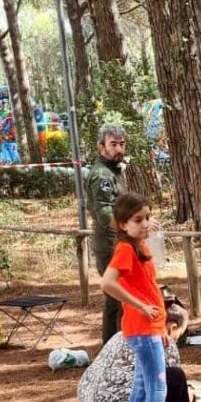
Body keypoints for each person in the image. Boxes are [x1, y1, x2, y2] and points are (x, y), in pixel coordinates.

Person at [101, 193, 196, 402]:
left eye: (147, 217)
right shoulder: (125, 250)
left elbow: (149, 278)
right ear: (122, 224)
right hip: (142, 329)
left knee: (142, 386)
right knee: (157, 387)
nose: (145, 224)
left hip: (150, 326)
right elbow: (108, 283)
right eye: (137, 220)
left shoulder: (138, 246)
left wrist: (150, 231)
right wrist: (139, 305)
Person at [77, 298, 193, 402]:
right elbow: (170, 386)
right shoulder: (163, 340)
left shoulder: (125, 332)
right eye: (179, 334)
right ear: (172, 327)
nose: (176, 339)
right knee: (175, 376)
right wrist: (188, 397)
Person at [86, 124, 129, 345]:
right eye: (113, 144)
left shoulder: (114, 170)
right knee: (118, 296)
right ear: (101, 147)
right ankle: (114, 348)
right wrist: (128, 230)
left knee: (117, 299)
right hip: (109, 243)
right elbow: (103, 212)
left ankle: (113, 346)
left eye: (121, 144)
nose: (119, 149)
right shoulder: (101, 174)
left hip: (120, 241)